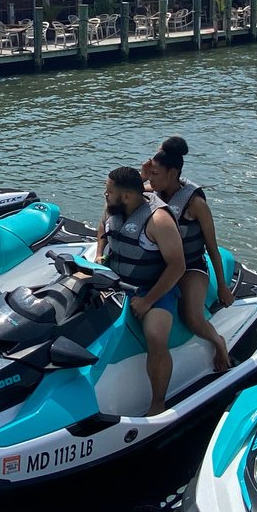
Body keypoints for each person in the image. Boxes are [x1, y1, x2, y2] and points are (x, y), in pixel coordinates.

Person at [96, 166, 187, 416]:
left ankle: (158, 402)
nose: (105, 194)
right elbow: (103, 228)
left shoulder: (158, 220)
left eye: (109, 191)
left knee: (156, 337)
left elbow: (177, 266)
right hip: (116, 278)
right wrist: (98, 255)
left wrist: (148, 301)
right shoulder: (113, 207)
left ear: (126, 196)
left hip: (154, 287)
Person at [142, 137, 232, 371]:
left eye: (155, 174)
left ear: (172, 175)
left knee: (191, 316)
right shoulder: (153, 190)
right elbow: (122, 193)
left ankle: (218, 342)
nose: (150, 179)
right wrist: (142, 177)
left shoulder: (195, 203)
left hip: (191, 266)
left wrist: (222, 286)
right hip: (163, 264)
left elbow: (212, 246)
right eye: (149, 175)